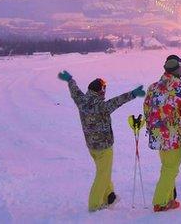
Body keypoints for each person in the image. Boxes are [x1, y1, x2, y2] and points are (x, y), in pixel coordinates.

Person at [58, 70, 145, 212]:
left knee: (103, 171)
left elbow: (75, 91)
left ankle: (109, 196)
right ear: (100, 91)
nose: (105, 91)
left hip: (92, 147)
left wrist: (70, 80)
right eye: (104, 88)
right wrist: (133, 94)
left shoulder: (82, 100)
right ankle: (94, 205)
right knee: (102, 175)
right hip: (104, 147)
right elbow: (118, 101)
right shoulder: (101, 106)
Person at [142, 55, 181, 212]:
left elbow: (146, 110)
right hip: (174, 139)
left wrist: (153, 130)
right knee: (171, 169)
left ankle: (169, 199)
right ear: (179, 70)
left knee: (166, 167)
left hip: (159, 137)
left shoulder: (152, 88)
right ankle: (160, 202)